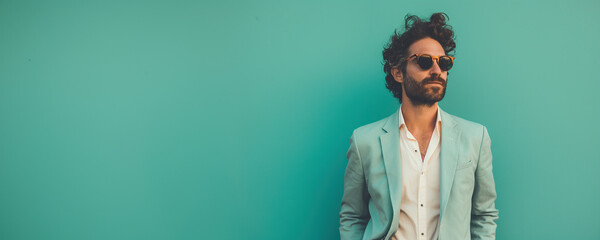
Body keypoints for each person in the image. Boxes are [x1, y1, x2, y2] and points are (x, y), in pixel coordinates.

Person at [339, 13, 498, 240]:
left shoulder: (476, 137)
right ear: (398, 72)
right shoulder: (365, 141)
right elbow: (352, 217)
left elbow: (484, 215)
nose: (436, 71)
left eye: (443, 62)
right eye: (424, 61)